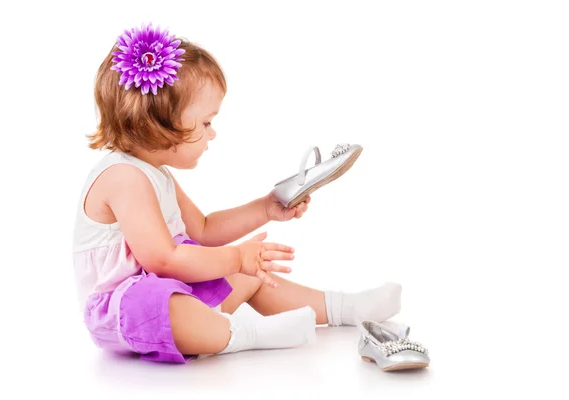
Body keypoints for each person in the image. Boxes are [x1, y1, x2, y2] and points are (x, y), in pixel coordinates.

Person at [73, 23, 402, 364]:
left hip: (168, 291)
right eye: (205, 123)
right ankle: (249, 336)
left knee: (249, 275)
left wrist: (265, 208)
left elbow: (201, 229)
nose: (212, 134)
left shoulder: (156, 174)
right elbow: (164, 260)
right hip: (123, 315)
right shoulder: (124, 177)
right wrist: (237, 256)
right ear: (158, 123)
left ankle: (345, 308)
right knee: (164, 299)